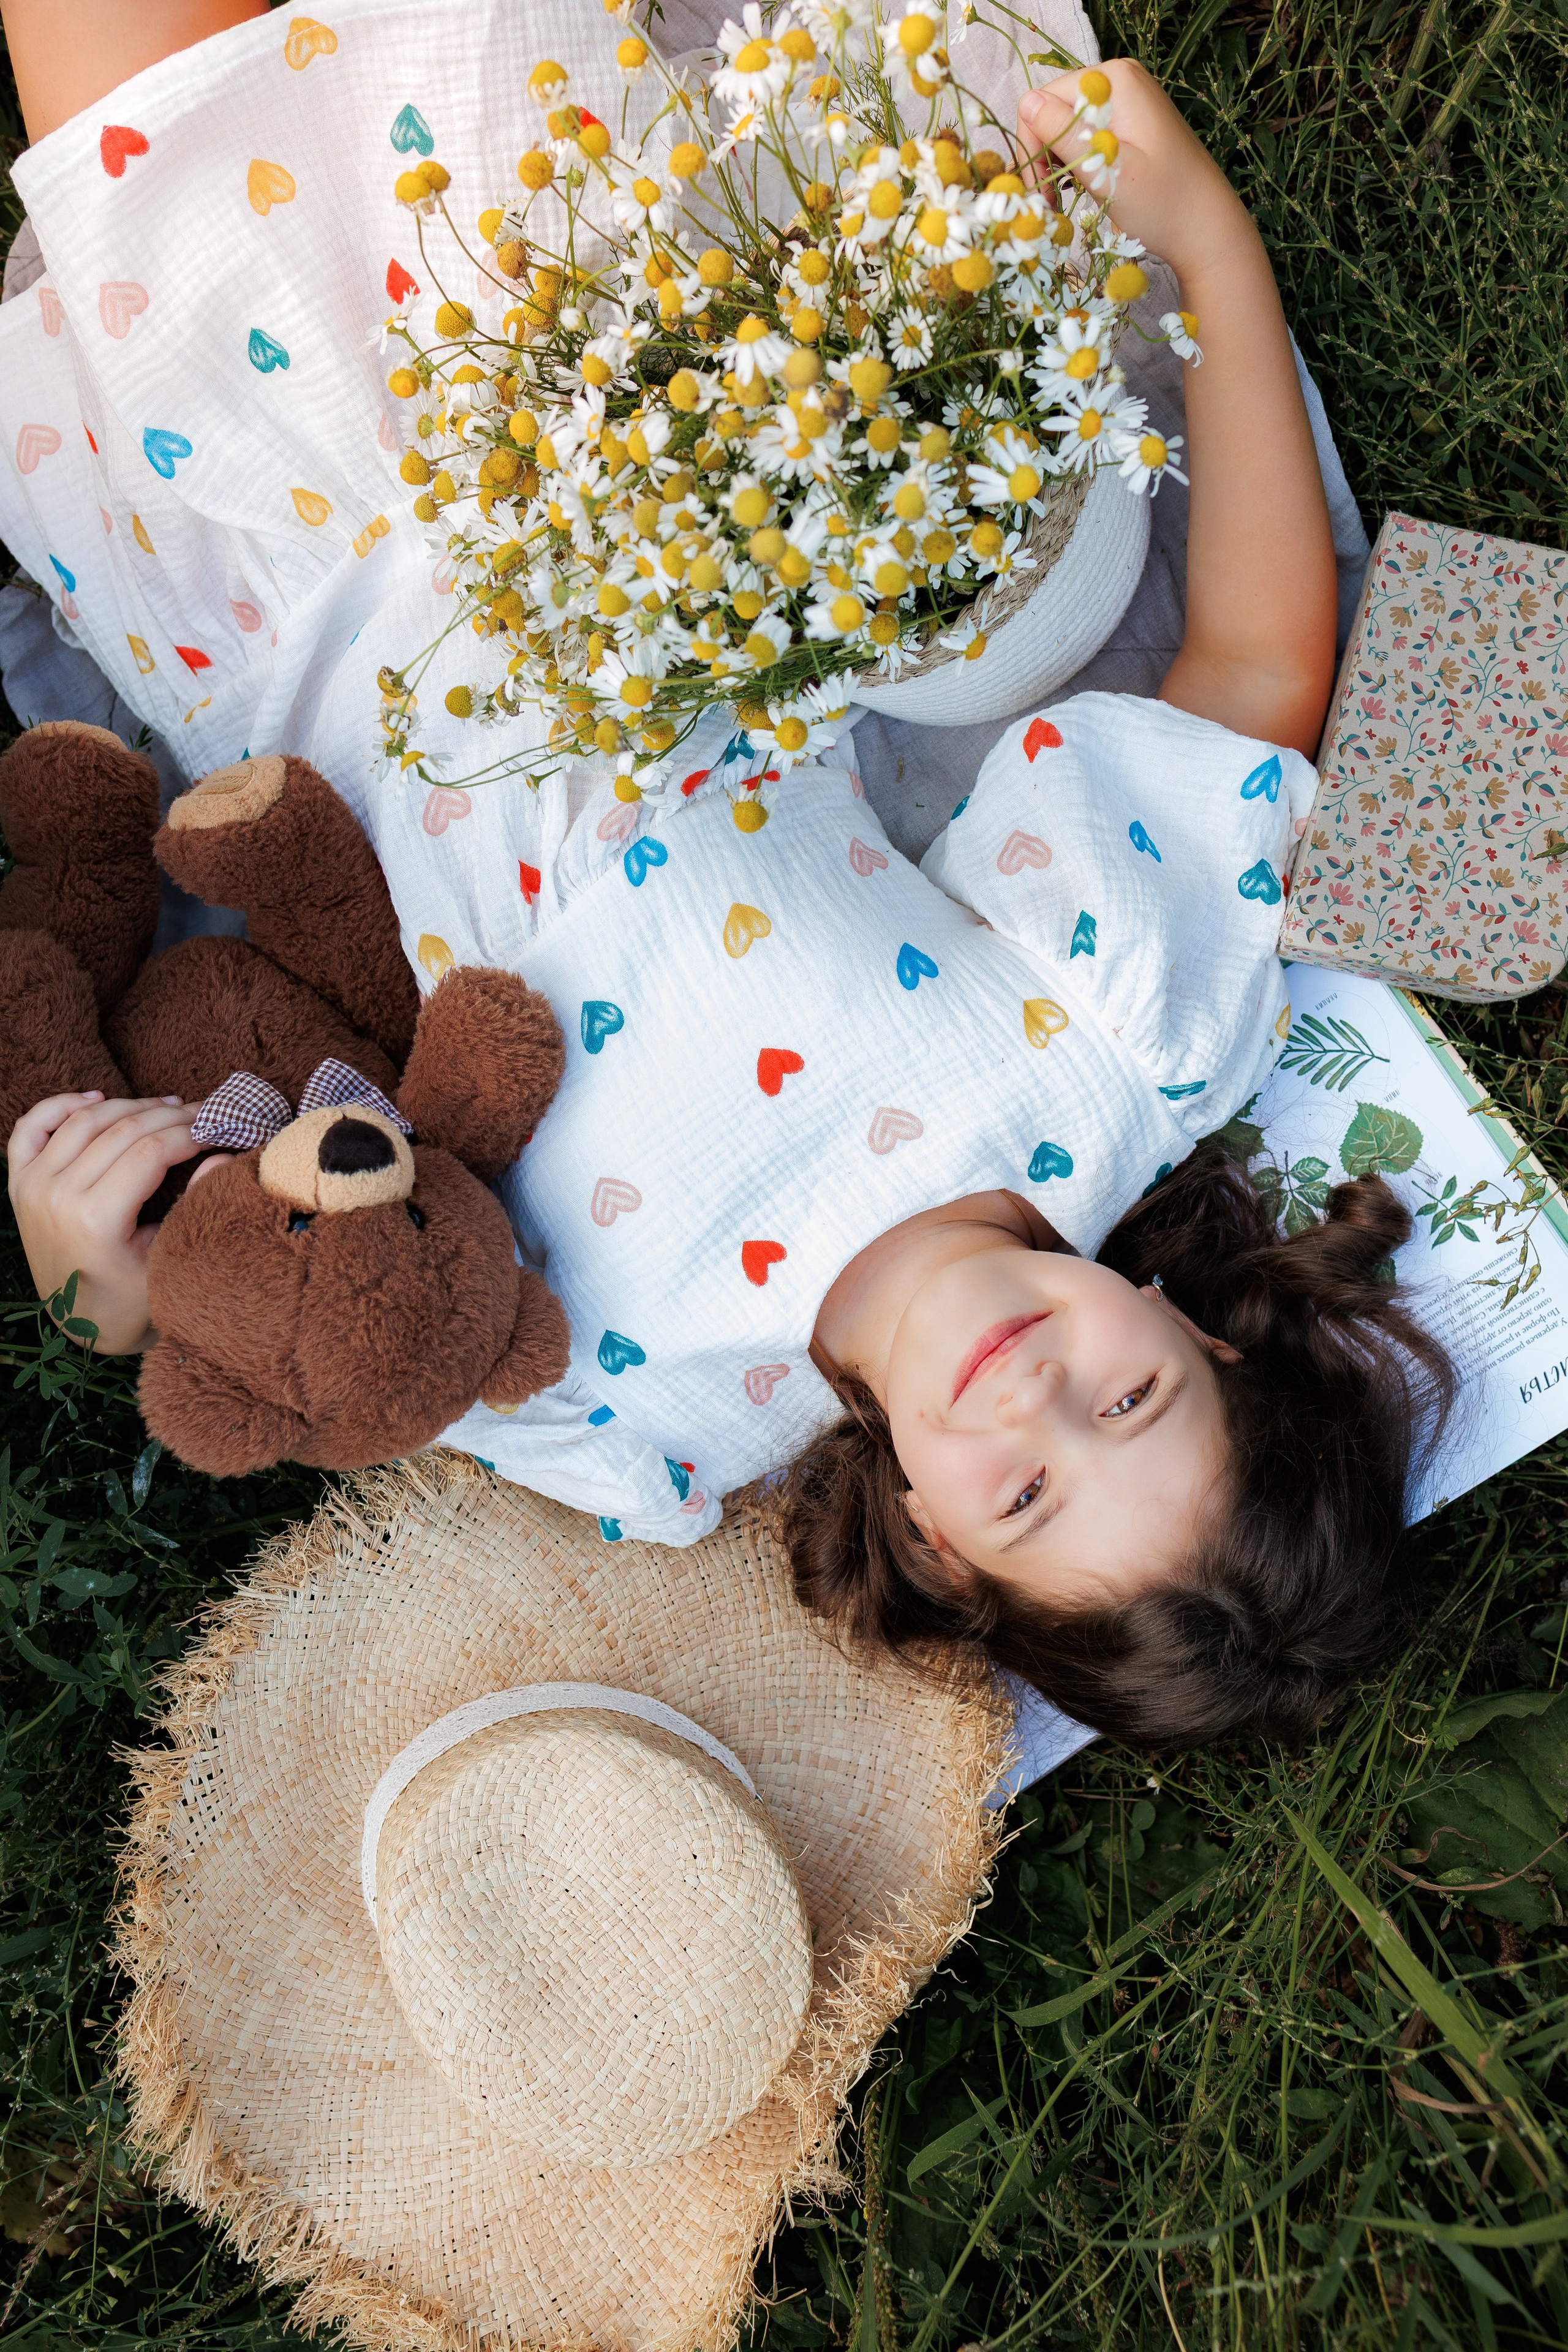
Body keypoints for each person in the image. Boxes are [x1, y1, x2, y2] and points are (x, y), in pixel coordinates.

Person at [0, 0, 1453, 1747]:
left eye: (1023, 1503)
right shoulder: (1113, 1065)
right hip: (563, 383)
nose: (1036, 1404)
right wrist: (1209, 248)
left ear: (931, 1541)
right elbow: (1246, 692)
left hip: (272, 567)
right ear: (1203, 1334)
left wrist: (91, 1277)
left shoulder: (654, 1429)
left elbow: (292, 1323)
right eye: (1131, 1402)